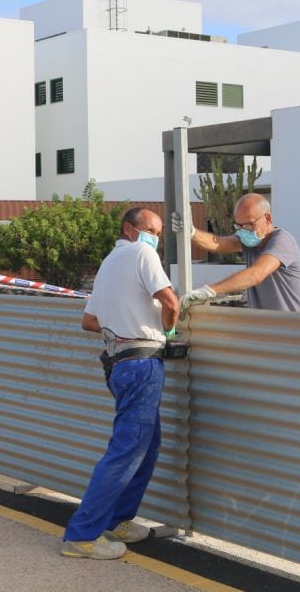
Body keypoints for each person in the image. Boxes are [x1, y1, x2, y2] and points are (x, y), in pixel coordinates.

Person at [60, 207, 179, 561]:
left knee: (146, 444)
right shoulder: (142, 254)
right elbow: (170, 301)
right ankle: (82, 536)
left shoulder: (110, 262)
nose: (155, 238)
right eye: (151, 230)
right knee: (126, 451)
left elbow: (89, 320)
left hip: (119, 364)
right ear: (130, 229)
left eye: (158, 233)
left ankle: (119, 520)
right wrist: (166, 329)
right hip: (142, 365)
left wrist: (123, 326)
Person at [172, 193, 300, 313]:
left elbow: (256, 274)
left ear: (267, 218)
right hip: (267, 330)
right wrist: (192, 232)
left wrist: (209, 291)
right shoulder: (250, 241)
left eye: (249, 225)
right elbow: (217, 243)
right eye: (239, 225)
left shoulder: (282, 240)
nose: (244, 231)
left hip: (294, 330)